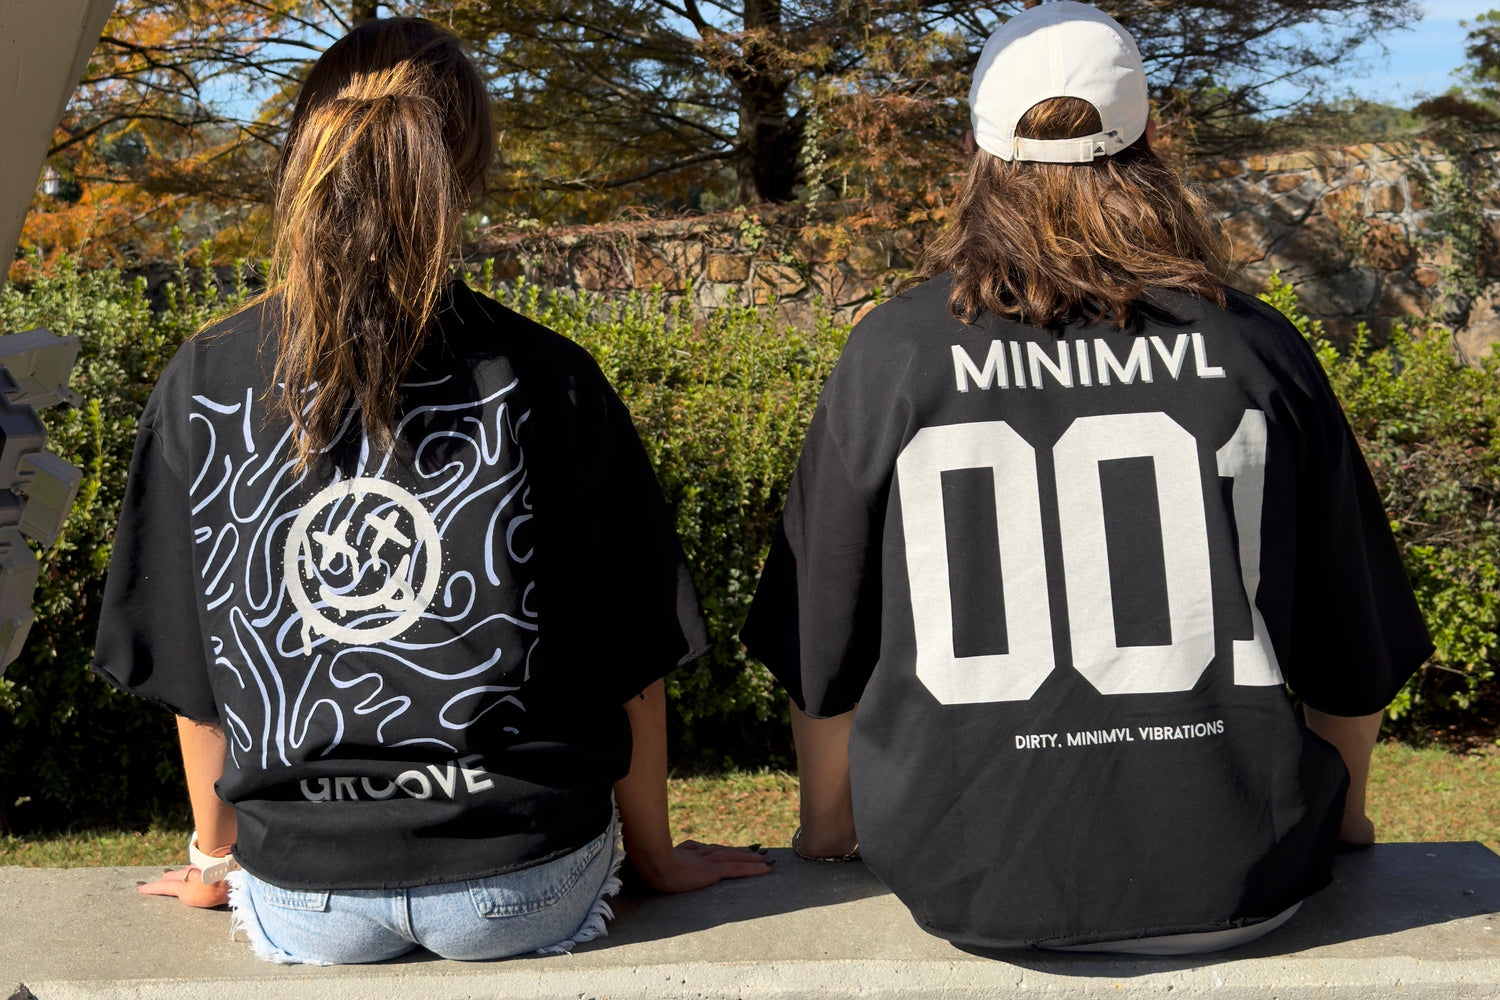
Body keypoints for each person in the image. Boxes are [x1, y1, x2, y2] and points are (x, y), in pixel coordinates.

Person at [741, 0, 1431, 954]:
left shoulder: (894, 352)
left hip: (969, 880)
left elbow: (823, 649)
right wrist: (1342, 826)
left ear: (977, 149)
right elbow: (1352, 648)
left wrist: (827, 836)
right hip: (1247, 871)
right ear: (1151, 135)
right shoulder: (1253, 346)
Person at [92, 17, 770, 965]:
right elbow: (634, 667)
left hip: (304, 895)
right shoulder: (547, 375)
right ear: (465, 165)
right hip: (522, 880)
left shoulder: (205, 376)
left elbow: (196, 675)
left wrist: (216, 860)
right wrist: (652, 856)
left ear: (304, 155)